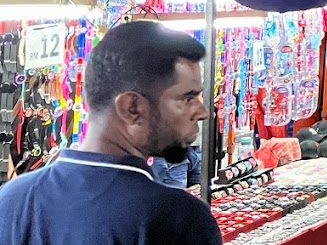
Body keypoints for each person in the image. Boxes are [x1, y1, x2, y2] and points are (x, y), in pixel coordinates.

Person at [0, 21, 221, 244]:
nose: (202, 112)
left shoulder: (13, 200)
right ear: (132, 108)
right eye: (189, 98)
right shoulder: (178, 219)